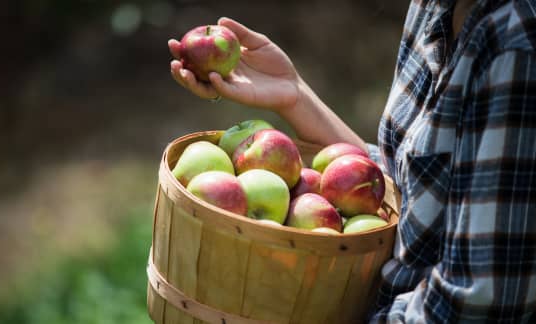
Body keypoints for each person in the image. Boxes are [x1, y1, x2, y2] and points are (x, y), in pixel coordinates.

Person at [168, 0, 536, 322]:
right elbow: (404, 186)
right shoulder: (434, 8)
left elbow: (478, 304)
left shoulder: (515, 47)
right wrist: (293, 95)